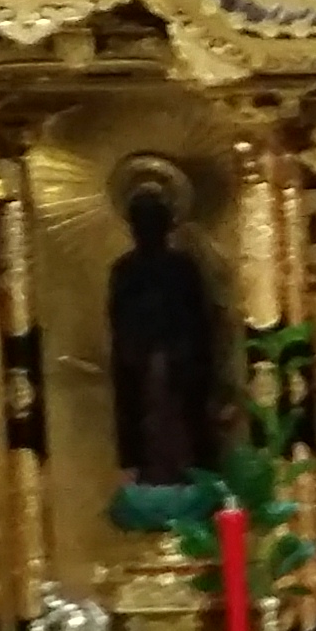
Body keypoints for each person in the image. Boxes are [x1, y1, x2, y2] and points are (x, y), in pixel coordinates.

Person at [105, 163, 221, 483]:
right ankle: (150, 475)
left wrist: (185, 355)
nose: (147, 230)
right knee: (147, 424)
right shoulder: (124, 270)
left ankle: (188, 472)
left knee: (182, 423)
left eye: (154, 222)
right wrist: (137, 351)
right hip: (140, 365)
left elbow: (199, 321)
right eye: (141, 223)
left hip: (181, 363)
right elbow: (118, 322)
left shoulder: (183, 267)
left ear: (167, 225)